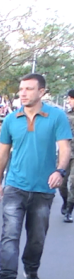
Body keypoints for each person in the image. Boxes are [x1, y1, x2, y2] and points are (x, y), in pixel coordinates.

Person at [0, 73, 72, 279]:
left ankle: (31, 268)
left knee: (37, 236)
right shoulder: (11, 119)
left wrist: (60, 171)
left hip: (43, 189)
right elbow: (3, 152)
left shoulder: (56, 116)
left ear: (41, 92)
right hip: (15, 186)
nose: (23, 93)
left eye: (28, 89)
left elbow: (65, 148)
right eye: (21, 89)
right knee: (10, 233)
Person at [62, 89, 74, 222]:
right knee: (62, 185)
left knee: (73, 183)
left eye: (71, 99)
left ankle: (69, 210)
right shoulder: (65, 116)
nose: (69, 101)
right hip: (65, 154)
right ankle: (65, 202)